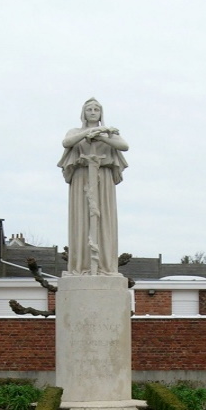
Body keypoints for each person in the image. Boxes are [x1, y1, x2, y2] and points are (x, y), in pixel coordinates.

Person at [58, 98, 129, 276]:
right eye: (89, 109)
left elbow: (124, 146)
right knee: (81, 219)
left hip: (103, 179)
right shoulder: (75, 132)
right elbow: (66, 142)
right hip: (82, 178)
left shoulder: (109, 134)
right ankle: (81, 266)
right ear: (83, 112)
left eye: (96, 109)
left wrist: (100, 134)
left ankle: (104, 266)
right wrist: (88, 132)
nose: (92, 111)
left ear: (101, 113)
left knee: (104, 219)